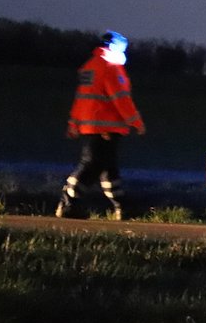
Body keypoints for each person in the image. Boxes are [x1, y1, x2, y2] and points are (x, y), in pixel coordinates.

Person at [55, 30, 145, 220]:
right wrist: (136, 122)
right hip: (107, 128)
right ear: (113, 47)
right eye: (122, 48)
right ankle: (69, 204)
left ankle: (122, 207)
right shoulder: (111, 68)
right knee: (91, 166)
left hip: (89, 126)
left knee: (108, 169)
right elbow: (121, 98)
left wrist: (74, 123)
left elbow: (81, 98)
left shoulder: (90, 67)